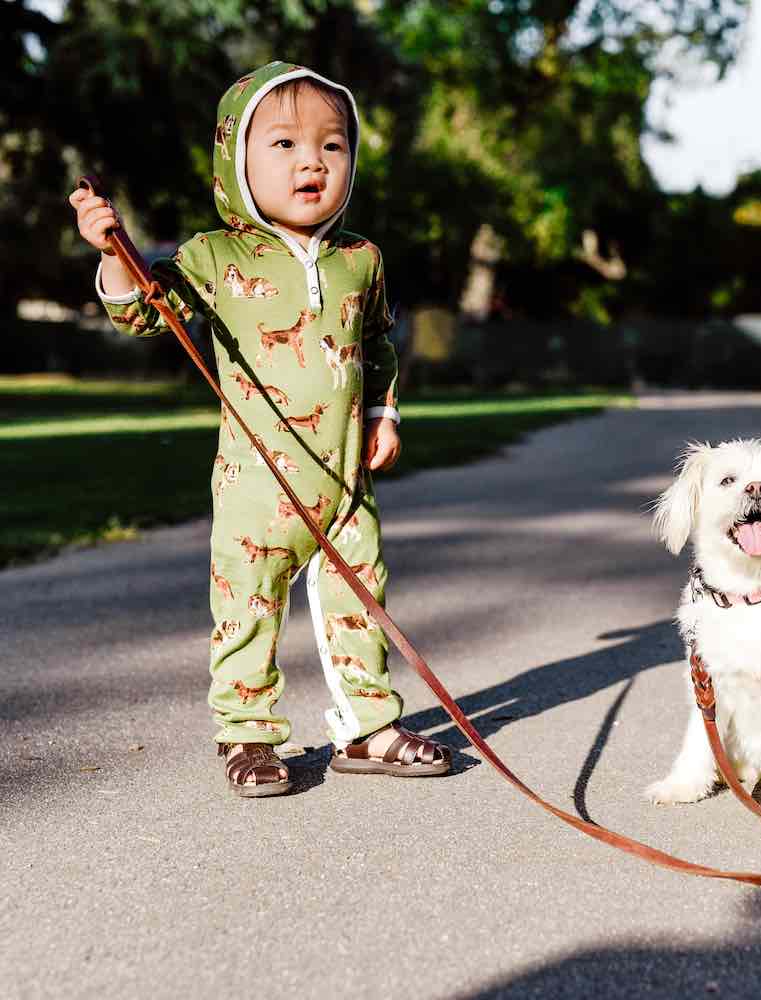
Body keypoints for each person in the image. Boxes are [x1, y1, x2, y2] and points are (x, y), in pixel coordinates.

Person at [69, 61, 451, 796]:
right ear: (235, 163)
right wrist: (114, 256)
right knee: (247, 602)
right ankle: (246, 733)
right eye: (284, 145)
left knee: (361, 598)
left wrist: (384, 410)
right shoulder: (214, 256)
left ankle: (369, 727)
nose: (312, 162)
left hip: (344, 478)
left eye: (332, 145)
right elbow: (145, 311)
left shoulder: (361, 260)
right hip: (257, 485)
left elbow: (377, 343)